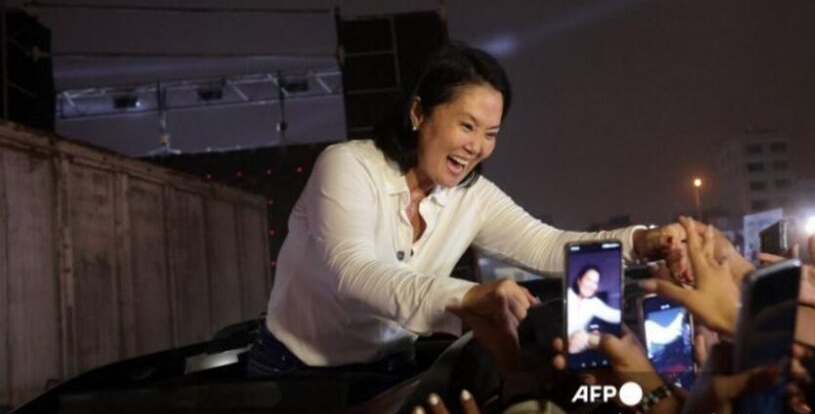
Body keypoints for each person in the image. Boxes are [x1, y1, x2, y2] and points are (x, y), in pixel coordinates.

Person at [252, 42, 679, 375]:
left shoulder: (472, 195)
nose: (477, 147)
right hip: (296, 370)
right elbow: (353, 273)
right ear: (419, 112)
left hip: (392, 366)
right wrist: (469, 295)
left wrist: (641, 242)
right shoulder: (347, 166)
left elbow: (548, 246)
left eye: (490, 133)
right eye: (467, 125)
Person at [566, 265, 622, 354]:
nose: (591, 286)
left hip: (576, 348)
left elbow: (615, 316)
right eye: (588, 280)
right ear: (579, 280)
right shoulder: (567, 295)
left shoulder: (594, 303)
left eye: (595, 282)